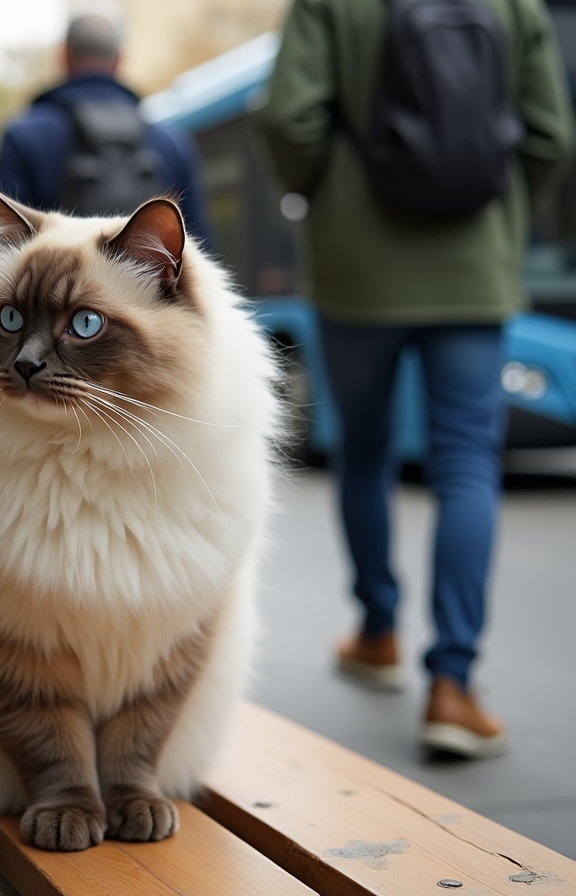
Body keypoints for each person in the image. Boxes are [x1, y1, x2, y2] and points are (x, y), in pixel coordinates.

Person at [259, 0, 573, 757]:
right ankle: (454, 686)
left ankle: (376, 632)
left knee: (364, 451)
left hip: (356, 272)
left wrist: (335, 197)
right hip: (474, 268)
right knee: (467, 462)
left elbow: (288, 120)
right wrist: (492, 206)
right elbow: (550, 134)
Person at [0, 3, 212, 242]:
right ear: (119, 59)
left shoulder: (23, 137)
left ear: (64, 55)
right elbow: (198, 249)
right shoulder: (173, 144)